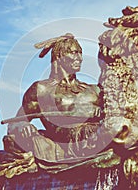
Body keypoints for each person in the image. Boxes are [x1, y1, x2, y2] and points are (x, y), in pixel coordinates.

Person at [8, 33, 103, 161]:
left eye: (80, 53)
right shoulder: (41, 90)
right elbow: (15, 122)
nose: (79, 58)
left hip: (99, 134)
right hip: (73, 142)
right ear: (59, 56)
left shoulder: (94, 89)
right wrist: (23, 126)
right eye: (74, 53)